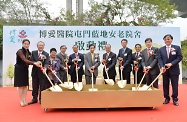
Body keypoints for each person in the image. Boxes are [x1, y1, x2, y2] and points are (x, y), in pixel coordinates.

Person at [14, 39, 41, 107]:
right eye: (25, 44)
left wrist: (37, 62)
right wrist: (34, 63)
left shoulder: (29, 53)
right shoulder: (19, 51)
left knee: (25, 85)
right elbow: (24, 59)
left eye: (27, 44)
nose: (26, 45)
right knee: (20, 86)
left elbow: (30, 61)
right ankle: (21, 100)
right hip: (19, 70)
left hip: (25, 70)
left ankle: (24, 100)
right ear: (22, 44)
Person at [158, 34, 182, 106]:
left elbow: (179, 57)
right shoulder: (161, 49)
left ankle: (175, 99)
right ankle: (166, 98)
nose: (167, 40)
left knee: (174, 85)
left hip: (174, 69)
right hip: (165, 70)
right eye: (165, 39)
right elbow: (160, 59)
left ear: (171, 40)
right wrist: (162, 66)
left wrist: (171, 64)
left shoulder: (176, 48)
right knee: (165, 85)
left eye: (168, 39)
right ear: (164, 41)